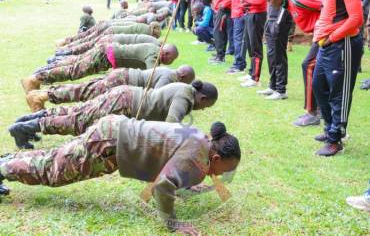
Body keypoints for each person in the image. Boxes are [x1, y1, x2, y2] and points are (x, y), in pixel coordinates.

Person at [0, 118, 240, 234]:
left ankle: (7, 161)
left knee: (58, 158)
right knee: (52, 172)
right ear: (216, 158)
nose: (222, 174)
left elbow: (168, 158)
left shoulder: (201, 140)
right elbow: (163, 184)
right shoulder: (197, 157)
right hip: (109, 146)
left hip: (113, 132)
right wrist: (173, 223)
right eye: (225, 170)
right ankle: (4, 168)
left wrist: (184, 186)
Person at [10, 79, 219, 148]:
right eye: (207, 106)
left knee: (78, 113)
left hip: (124, 96)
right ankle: (26, 127)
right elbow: (171, 125)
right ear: (203, 98)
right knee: (78, 122)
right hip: (125, 103)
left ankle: (30, 120)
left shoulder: (184, 89)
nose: (204, 109)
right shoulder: (186, 97)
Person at [312, 0, 363, 156]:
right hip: (327, 45)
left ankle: (336, 139)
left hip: (342, 45)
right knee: (318, 85)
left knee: (338, 93)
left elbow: (356, 18)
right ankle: (329, 127)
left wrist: (332, 37)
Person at [263, 0, 323, 124]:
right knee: (319, 71)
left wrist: (325, 29)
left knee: (307, 65)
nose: (268, 3)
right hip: (320, 34)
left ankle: (312, 112)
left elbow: (327, 7)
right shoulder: (288, 4)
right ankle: (321, 111)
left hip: (326, 34)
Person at [26, 65, 196, 111]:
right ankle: (42, 95)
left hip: (122, 77)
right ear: (182, 77)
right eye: (185, 82)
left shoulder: (169, 73)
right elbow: (155, 98)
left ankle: (42, 95)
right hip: (122, 81)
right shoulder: (168, 77)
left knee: (85, 90)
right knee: (83, 92)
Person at [21, 43, 179, 92]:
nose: (170, 63)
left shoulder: (154, 48)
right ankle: (35, 79)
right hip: (106, 57)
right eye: (171, 59)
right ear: (165, 54)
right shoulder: (154, 56)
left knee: (74, 67)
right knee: (74, 71)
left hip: (107, 52)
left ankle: (38, 76)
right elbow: (152, 76)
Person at [238, 0, 271, 85]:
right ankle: (252, 71)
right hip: (249, 13)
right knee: (250, 44)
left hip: (257, 14)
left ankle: (255, 78)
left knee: (256, 46)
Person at [209, 0, 234, 64]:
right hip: (218, 10)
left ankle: (220, 57)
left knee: (219, 33)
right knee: (219, 33)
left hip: (224, 11)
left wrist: (223, 5)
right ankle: (219, 55)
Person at [227, 0, 248, 73]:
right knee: (237, 38)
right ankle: (238, 62)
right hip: (235, 11)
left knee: (239, 39)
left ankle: (239, 64)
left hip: (241, 12)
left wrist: (242, 10)